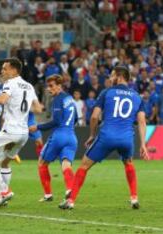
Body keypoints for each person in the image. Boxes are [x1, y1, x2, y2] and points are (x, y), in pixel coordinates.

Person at [59, 66, 149, 210]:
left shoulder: (107, 92)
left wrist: (92, 135)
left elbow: (94, 117)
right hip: (126, 138)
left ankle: (70, 201)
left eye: (112, 76)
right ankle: (134, 198)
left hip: (107, 136)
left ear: (119, 76)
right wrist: (143, 144)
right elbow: (142, 122)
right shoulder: (137, 97)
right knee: (128, 163)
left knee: (84, 165)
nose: (110, 79)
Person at [0, 58, 43, 208]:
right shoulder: (29, 86)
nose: (2, 71)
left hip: (10, 130)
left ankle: (4, 191)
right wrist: (21, 108)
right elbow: (38, 109)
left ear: (14, 70)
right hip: (23, 133)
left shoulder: (9, 83)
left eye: (5, 69)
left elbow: (2, 99)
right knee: (5, 162)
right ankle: (2, 196)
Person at [29, 74, 78, 202]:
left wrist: (37, 127)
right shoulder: (70, 98)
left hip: (59, 136)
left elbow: (56, 121)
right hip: (72, 136)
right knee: (66, 163)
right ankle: (69, 189)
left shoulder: (57, 100)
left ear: (59, 86)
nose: (49, 89)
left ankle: (48, 195)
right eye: (48, 86)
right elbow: (76, 118)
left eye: (51, 86)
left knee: (42, 162)